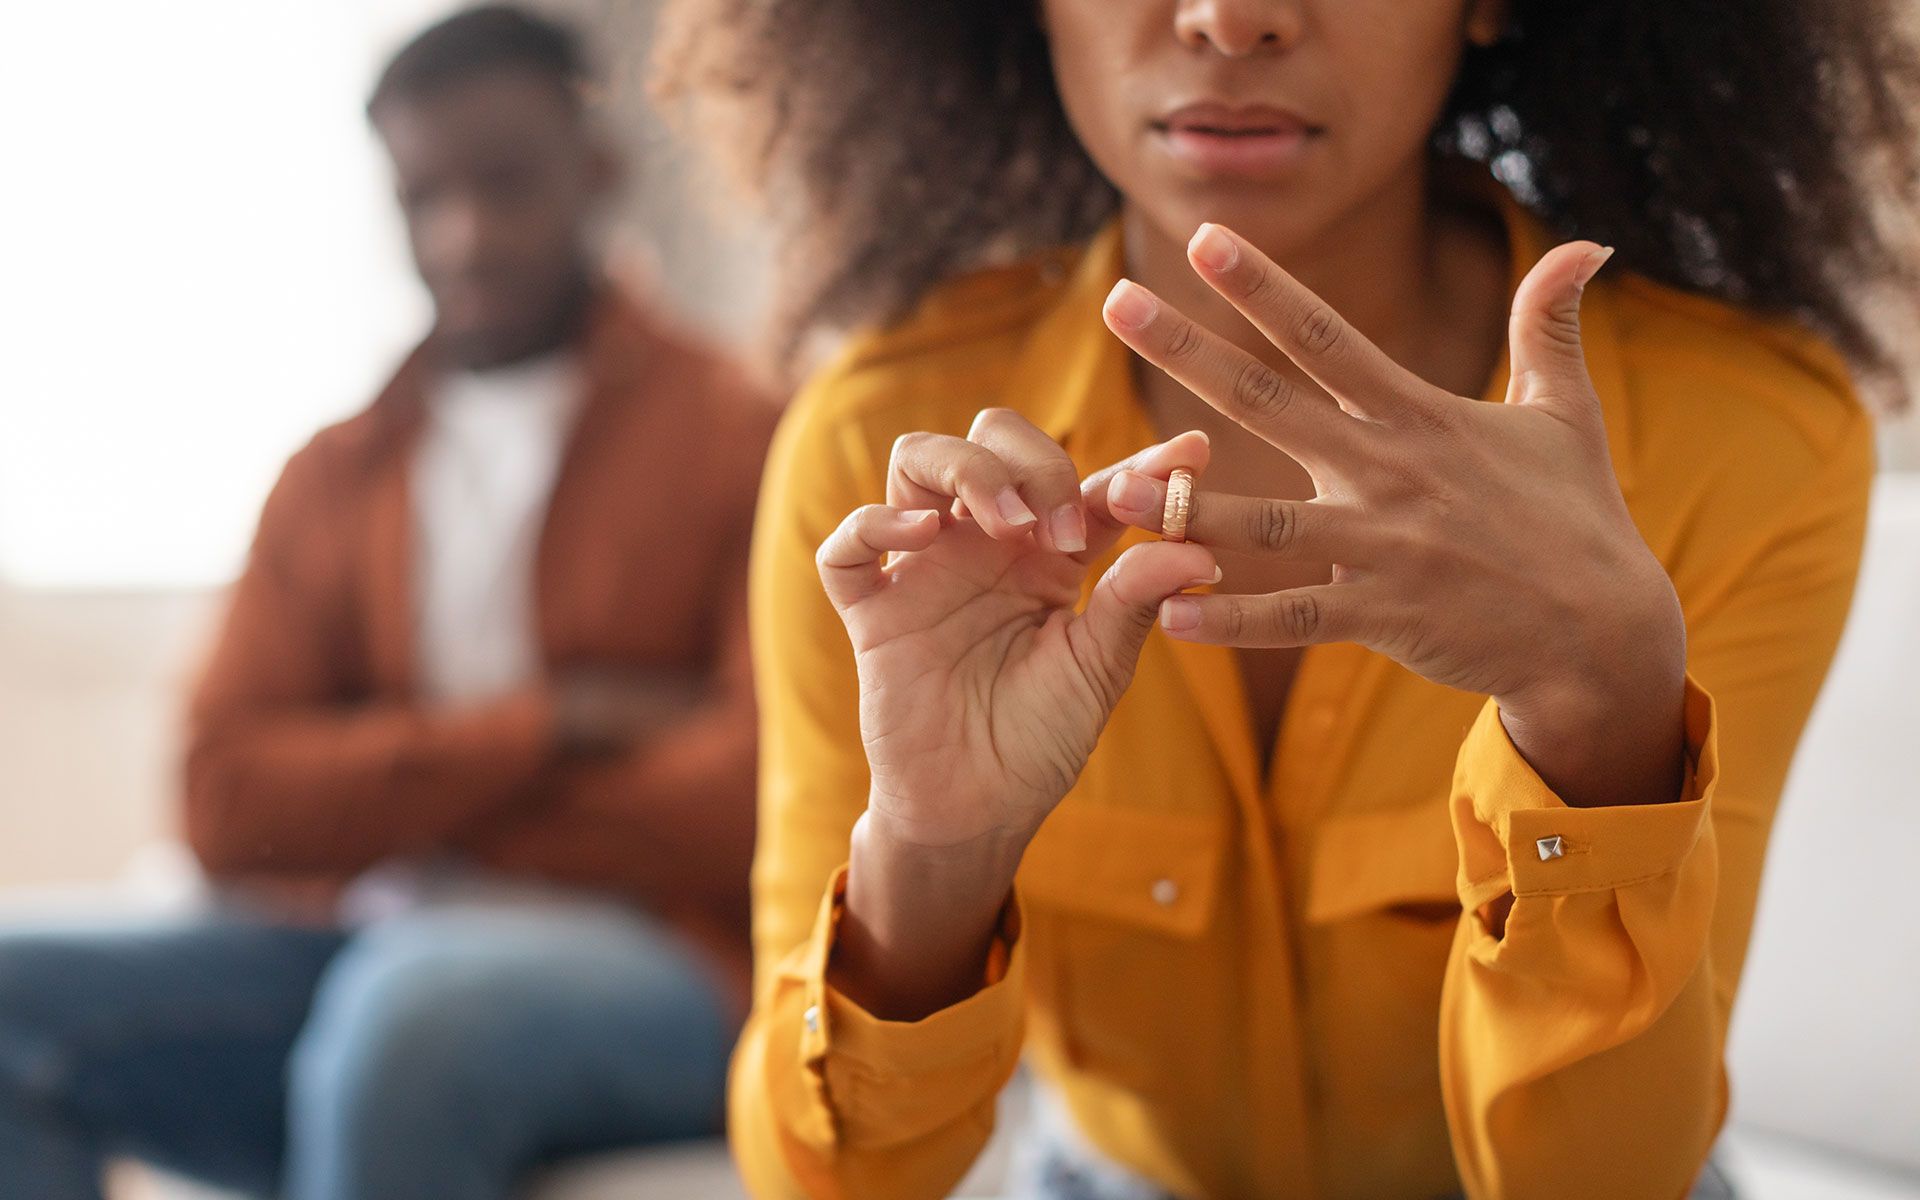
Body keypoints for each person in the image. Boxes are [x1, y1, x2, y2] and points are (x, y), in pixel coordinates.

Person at [656, 1, 1920, 1197]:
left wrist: (1603, 725)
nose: (1229, 16)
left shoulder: (1741, 442)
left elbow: (1599, 1182)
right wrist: (934, 861)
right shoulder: (879, 452)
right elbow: (826, 1180)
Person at [0, 7, 776, 1199]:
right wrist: (552, 726)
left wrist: (401, 807)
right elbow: (224, 795)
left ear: (598, 172)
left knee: (411, 1024)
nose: (463, 235)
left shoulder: (743, 432)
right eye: (424, 197)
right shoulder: (335, 472)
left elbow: (754, 797)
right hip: (366, 939)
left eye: (505, 184)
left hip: (665, 953)